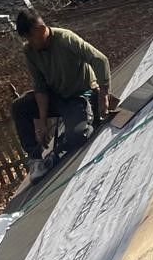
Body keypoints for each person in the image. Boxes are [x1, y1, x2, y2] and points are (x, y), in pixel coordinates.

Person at [12, 9, 116, 180]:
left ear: (40, 29)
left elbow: (100, 60)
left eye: (31, 37)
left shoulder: (66, 39)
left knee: (78, 136)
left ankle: (83, 122)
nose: (29, 43)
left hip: (79, 95)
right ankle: (35, 159)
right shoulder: (29, 51)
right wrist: (43, 122)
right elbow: (40, 87)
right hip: (57, 96)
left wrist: (104, 95)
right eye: (26, 39)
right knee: (19, 106)